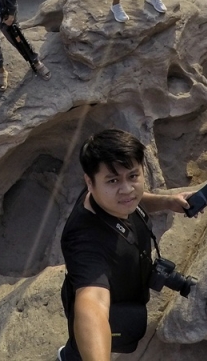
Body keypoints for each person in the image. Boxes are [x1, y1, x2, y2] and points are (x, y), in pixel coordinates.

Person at [59, 129, 191, 361]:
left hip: (127, 284)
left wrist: (168, 202)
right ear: (90, 182)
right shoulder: (84, 241)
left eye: (133, 176)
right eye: (113, 180)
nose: (127, 189)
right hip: (112, 306)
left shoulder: (107, 198)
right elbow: (92, 302)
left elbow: (135, 200)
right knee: (80, 349)